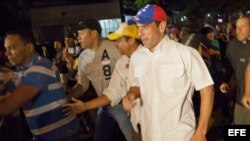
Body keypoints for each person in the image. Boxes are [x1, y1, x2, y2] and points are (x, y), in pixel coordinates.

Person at [122, 4, 214, 141]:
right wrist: (131, 95)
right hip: (149, 134)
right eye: (138, 27)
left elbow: (207, 90)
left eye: (145, 27)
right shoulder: (136, 57)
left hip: (180, 135)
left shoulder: (186, 54)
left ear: (161, 26)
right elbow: (137, 85)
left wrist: (201, 131)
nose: (139, 33)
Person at [64, 23, 142, 141]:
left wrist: (130, 96)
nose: (78, 38)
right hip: (105, 103)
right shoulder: (121, 61)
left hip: (123, 106)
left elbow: (136, 87)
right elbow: (111, 91)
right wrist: (75, 101)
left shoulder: (146, 58)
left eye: (81, 33)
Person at [0, 29, 80, 141]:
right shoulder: (23, 70)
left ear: (29, 48)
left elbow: (9, 106)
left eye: (12, 48)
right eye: (6, 48)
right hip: (46, 134)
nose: (6, 53)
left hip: (61, 135)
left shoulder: (39, 67)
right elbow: (10, 101)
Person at [220, 16, 250, 124]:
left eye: (243, 26)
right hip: (240, 98)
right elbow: (229, 66)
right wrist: (225, 81)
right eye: (237, 27)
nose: (239, 30)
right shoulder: (232, 46)